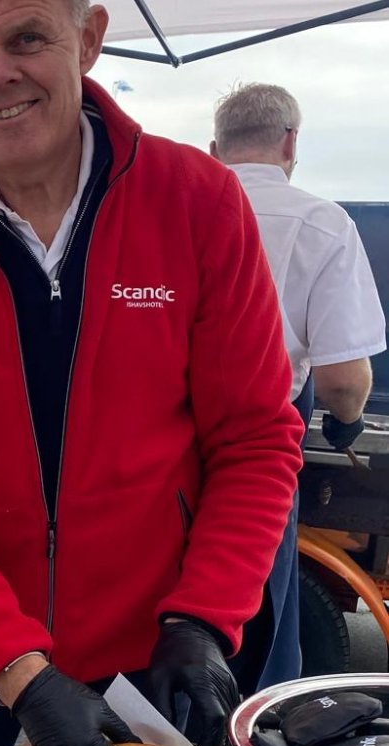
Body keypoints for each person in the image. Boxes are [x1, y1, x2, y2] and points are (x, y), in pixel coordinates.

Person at [0, 0, 304, 746]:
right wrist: (17, 669)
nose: (1, 73)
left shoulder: (198, 201)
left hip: (154, 664)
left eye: (28, 38)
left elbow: (255, 439)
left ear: (89, 38)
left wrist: (203, 618)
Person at [211, 83, 386, 692]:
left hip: (160, 443)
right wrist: (345, 425)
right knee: (256, 613)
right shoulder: (321, 223)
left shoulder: (174, 212)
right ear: (290, 142)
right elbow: (343, 378)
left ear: (214, 147)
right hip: (256, 447)